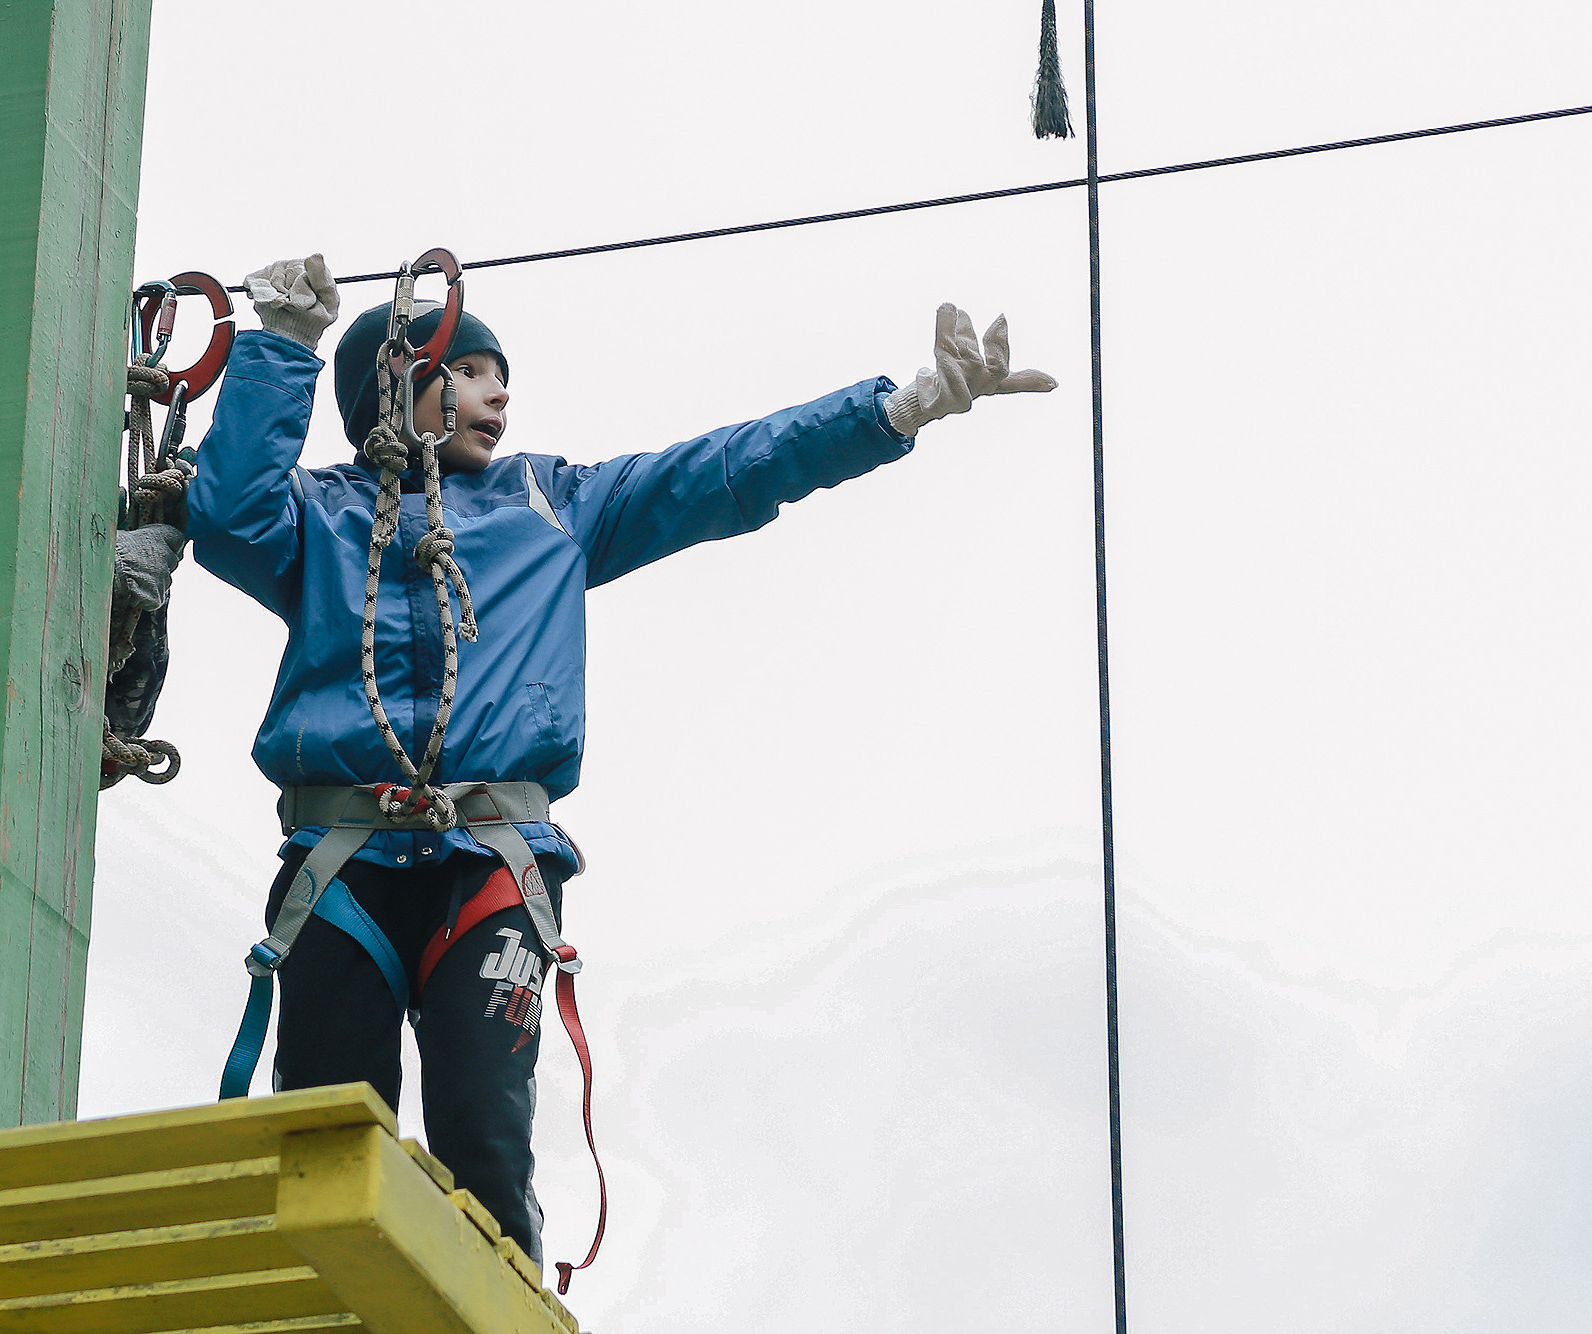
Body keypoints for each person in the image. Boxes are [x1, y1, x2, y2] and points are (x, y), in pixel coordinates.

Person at [186, 252, 1056, 1272]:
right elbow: (227, 517)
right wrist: (283, 349)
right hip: (342, 869)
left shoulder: (553, 504)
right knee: (324, 1139)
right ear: (397, 383)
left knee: (482, 1135)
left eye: (500, 376)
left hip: (488, 867)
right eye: (470, 371)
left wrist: (896, 411)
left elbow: (725, 471)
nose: (498, 393)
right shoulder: (318, 518)